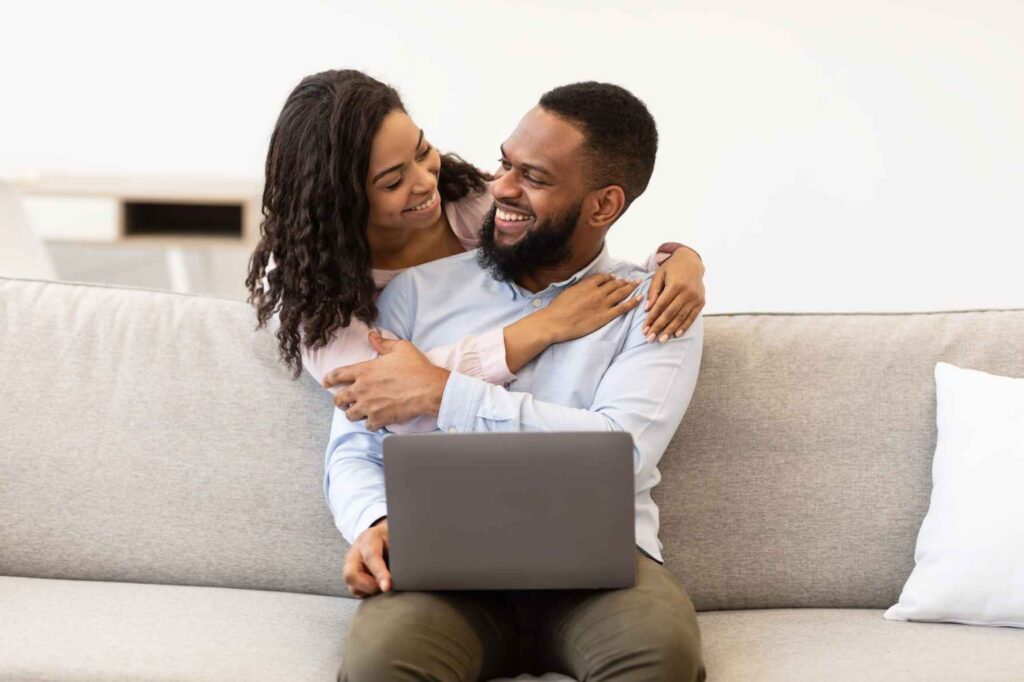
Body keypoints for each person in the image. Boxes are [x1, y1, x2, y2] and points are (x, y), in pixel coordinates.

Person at [325, 81, 706, 681]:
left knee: (661, 656)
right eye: (504, 162)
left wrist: (443, 393)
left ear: (603, 205)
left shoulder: (654, 304)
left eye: (533, 176)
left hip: (599, 572)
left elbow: (618, 451)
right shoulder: (414, 296)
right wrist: (373, 521)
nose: (500, 187)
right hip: (444, 566)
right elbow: (353, 446)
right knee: (381, 663)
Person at [244, 70, 706, 433]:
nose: (426, 182)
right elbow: (375, 393)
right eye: (392, 181)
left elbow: (570, 237)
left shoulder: (471, 201)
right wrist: (541, 328)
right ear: (339, 201)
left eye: (423, 151)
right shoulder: (318, 298)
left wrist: (678, 261)